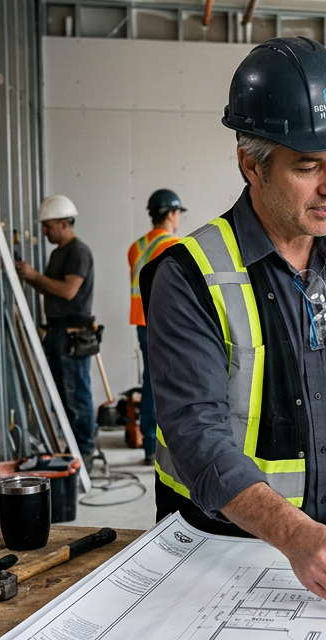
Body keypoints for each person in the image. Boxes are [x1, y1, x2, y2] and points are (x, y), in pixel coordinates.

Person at [140, 38, 326, 608]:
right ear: (252, 164)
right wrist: (293, 534)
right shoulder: (188, 274)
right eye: (308, 166)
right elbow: (196, 431)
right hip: (215, 551)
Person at [17, 194, 97, 462]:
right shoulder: (58, 253)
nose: (44, 230)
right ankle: (71, 448)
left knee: (77, 396)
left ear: (64, 223)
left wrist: (34, 276)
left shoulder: (78, 252)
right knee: (63, 396)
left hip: (72, 335)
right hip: (57, 333)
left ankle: (84, 451)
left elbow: (68, 291)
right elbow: (50, 289)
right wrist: (29, 279)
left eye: (48, 225)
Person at [128, 189, 187, 466]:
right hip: (165, 324)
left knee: (150, 381)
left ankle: (149, 445)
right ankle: (164, 445)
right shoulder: (175, 245)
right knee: (170, 383)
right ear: (172, 214)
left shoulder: (136, 246)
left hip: (142, 321)